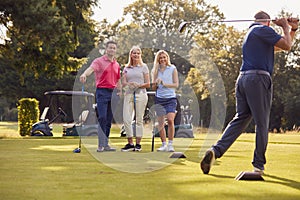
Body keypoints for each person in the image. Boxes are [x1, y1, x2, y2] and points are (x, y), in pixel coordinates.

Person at [200, 11, 298, 174]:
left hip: (243, 79)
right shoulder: (263, 30)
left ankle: (215, 151)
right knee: (262, 122)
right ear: (267, 22)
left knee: (241, 119)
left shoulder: (252, 33)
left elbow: (281, 46)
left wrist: (292, 30)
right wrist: (285, 27)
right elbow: (287, 46)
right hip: (258, 79)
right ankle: (258, 165)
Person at [80, 41, 122, 152]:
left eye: (114, 48)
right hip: (102, 92)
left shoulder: (116, 64)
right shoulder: (99, 61)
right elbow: (91, 69)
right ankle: (100, 145)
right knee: (102, 117)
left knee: (108, 120)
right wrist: (84, 74)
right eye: (110, 48)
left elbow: (118, 79)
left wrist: (120, 91)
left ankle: (106, 144)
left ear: (115, 50)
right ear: (106, 49)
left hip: (113, 93)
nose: (112, 50)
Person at [121, 46, 150, 152]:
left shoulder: (144, 67)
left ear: (140, 55)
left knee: (139, 119)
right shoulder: (126, 68)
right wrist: (130, 84)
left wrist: (138, 85)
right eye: (134, 53)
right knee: (126, 119)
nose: (136, 55)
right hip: (128, 94)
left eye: (138, 53)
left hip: (141, 94)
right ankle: (130, 143)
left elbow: (148, 84)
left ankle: (138, 144)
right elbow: (123, 83)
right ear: (131, 55)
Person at [152, 50, 179, 152]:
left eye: (164, 57)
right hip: (159, 98)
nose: (163, 59)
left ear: (167, 58)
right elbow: (154, 87)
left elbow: (176, 85)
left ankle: (170, 144)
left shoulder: (172, 69)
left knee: (171, 120)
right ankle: (164, 144)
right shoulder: (155, 71)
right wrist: (156, 83)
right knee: (160, 123)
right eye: (160, 58)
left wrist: (164, 83)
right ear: (158, 60)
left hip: (170, 98)